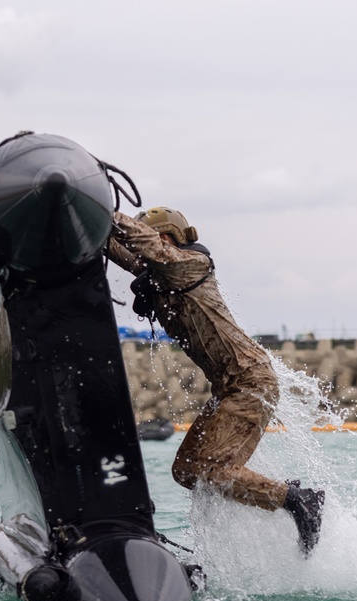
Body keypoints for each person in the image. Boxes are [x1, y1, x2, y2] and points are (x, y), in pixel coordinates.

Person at [108, 207, 325, 556]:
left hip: (250, 382)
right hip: (229, 387)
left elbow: (141, 243)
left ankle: (298, 500)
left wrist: (105, 211)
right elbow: (122, 250)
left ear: (165, 240)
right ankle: (274, 509)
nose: (141, 256)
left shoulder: (189, 266)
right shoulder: (163, 274)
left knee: (212, 470)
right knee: (187, 471)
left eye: (152, 243)